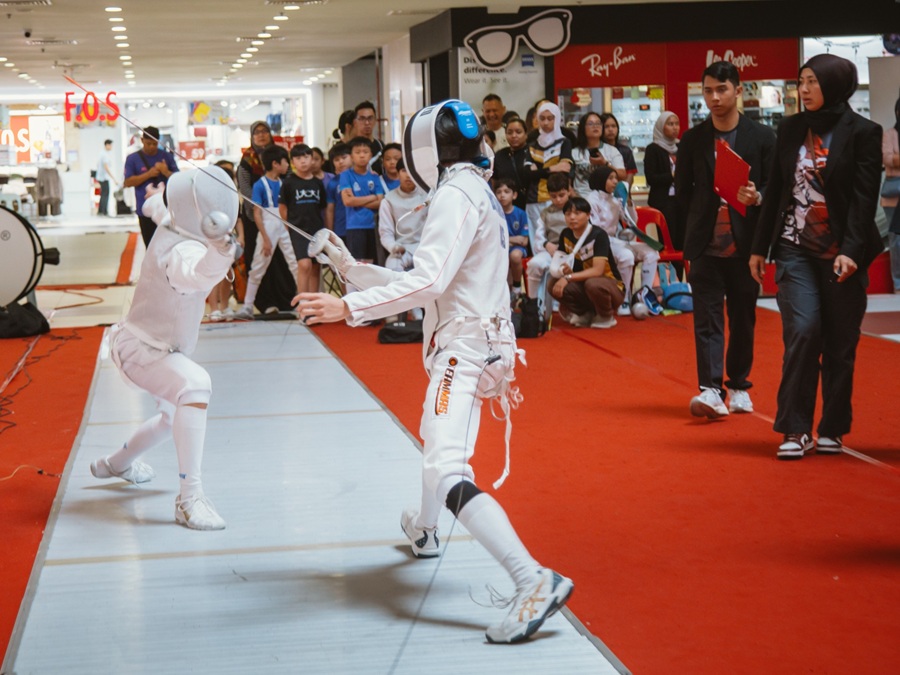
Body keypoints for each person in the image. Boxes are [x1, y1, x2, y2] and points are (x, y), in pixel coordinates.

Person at [297, 99, 573, 644]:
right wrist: (350, 270)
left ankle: (532, 579)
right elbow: (435, 278)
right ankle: (425, 531)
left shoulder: (453, 194)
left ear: (426, 152)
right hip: (486, 347)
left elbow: (426, 285)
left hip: (464, 353)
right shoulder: (478, 191)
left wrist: (345, 308)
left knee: (447, 469)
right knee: (439, 453)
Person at [749, 54, 883, 459]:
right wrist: (759, 247)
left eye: (812, 82)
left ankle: (833, 427)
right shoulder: (790, 128)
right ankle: (795, 427)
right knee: (804, 332)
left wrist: (851, 252)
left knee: (840, 345)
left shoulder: (864, 132)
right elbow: (775, 192)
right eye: (800, 81)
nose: (803, 89)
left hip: (843, 252)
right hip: (794, 249)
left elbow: (863, 199)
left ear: (834, 85)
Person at [90, 166, 239, 530]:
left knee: (174, 416)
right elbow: (199, 273)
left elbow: (154, 206)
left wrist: (156, 197)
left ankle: (114, 464)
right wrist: (221, 252)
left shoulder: (170, 219)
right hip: (144, 349)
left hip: (152, 345)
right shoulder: (183, 251)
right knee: (195, 385)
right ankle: (190, 500)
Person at [675, 61, 776, 419]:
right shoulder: (692, 139)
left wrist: (757, 197)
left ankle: (738, 386)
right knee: (706, 318)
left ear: (738, 89)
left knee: (743, 317)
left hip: (747, 246)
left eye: (721, 90)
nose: (714, 98)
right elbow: (682, 191)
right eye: (708, 91)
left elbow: (774, 188)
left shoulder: (762, 137)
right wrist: (697, 224)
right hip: (705, 244)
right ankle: (711, 390)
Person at [236, 145, 299, 318]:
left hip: (284, 225)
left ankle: (305, 303)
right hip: (267, 226)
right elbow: (257, 212)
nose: (288, 165)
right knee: (258, 267)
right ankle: (248, 305)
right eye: (286, 161)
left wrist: (287, 228)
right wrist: (265, 237)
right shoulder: (259, 185)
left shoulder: (283, 183)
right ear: (275, 164)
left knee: (295, 265)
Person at [587, 165, 660, 315]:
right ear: (601, 180)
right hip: (598, 243)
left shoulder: (615, 200)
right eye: (611, 178)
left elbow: (632, 221)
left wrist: (628, 203)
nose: (615, 182)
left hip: (614, 240)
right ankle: (623, 298)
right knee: (626, 256)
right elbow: (593, 229)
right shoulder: (591, 199)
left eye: (616, 178)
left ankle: (644, 295)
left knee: (652, 252)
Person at [551, 196, 625, 328]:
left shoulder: (598, 235)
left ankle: (606, 316)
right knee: (553, 283)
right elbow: (559, 262)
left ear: (588, 215)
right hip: (583, 284)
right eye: (568, 214)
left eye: (577, 213)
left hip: (610, 285)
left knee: (593, 283)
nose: (572, 217)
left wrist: (568, 278)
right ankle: (584, 313)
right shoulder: (566, 234)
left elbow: (598, 271)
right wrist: (563, 270)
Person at [377, 158, 428, 322]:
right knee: (392, 266)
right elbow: (385, 233)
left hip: (425, 248)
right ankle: (404, 310)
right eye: (404, 171)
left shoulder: (428, 198)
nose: (408, 176)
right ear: (398, 173)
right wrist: (393, 247)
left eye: (412, 171)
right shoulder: (388, 200)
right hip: (402, 248)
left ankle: (425, 310)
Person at [281, 144, 326, 296]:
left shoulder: (318, 183)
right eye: (298, 158)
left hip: (317, 230)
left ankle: (314, 306)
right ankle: (303, 304)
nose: (303, 161)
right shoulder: (288, 183)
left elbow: (322, 208)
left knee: (315, 267)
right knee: (304, 264)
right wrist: (288, 226)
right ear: (292, 162)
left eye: (306, 157)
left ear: (312, 159)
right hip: (298, 230)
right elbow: (283, 207)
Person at [123, 126, 178, 246]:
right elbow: (127, 182)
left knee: (169, 245)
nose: (152, 147)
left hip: (166, 209)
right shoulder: (132, 159)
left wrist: (166, 172)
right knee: (150, 246)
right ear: (142, 140)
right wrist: (149, 174)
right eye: (148, 143)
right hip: (145, 210)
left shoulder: (167, 157)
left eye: (154, 143)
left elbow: (179, 180)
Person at [524, 101, 573, 226]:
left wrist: (538, 171)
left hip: (558, 198)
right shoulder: (531, 144)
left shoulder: (564, 142)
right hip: (534, 199)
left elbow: (564, 171)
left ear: (556, 119)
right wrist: (553, 168)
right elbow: (527, 174)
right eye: (542, 118)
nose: (545, 123)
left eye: (550, 118)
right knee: (537, 241)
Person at [525, 172, 572, 300]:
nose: (558, 200)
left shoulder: (578, 209)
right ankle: (532, 302)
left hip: (575, 254)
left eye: (562, 195)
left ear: (569, 191)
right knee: (534, 264)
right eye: (553, 196)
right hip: (553, 252)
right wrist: (546, 245)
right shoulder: (545, 213)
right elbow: (538, 239)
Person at [236, 120, 276, 270]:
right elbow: (245, 188)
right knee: (257, 255)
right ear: (252, 137)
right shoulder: (247, 158)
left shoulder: (279, 154)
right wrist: (258, 210)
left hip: (278, 213)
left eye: (264, 131)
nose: (261, 135)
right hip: (254, 215)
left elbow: (287, 180)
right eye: (257, 132)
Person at [339, 136, 384, 264]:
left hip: (373, 226)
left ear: (371, 155)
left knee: (370, 263)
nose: (362, 156)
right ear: (351, 156)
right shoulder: (346, 175)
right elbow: (348, 201)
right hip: (354, 226)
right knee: (356, 264)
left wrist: (356, 199)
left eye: (365, 152)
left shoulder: (375, 177)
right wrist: (371, 197)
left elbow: (380, 202)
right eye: (358, 152)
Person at [207, 159, 241, 321]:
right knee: (213, 274)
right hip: (211, 239)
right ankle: (214, 308)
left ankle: (225, 306)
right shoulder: (206, 197)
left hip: (228, 239)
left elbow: (238, 219)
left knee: (227, 273)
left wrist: (241, 237)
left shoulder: (232, 197)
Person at [644, 111, 683, 252]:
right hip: (663, 202)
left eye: (677, 124)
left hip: (681, 200)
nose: (675, 128)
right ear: (661, 127)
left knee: (681, 243)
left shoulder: (681, 147)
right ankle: (667, 273)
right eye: (670, 124)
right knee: (667, 242)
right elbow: (651, 178)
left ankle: (680, 273)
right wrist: (673, 175)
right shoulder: (653, 149)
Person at [571, 112, 625, 197]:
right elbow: (567, 180)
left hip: (606, 201)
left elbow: (622, 175)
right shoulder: (574, 152)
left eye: (598, 123)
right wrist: (576, 199)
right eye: (590, 123)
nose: (595, 126)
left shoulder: (612, 151)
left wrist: (604, 163)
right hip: (582, 200)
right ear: (583, 128)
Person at [494, 177, 530, 301]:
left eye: (506, 191)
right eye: (498, 192)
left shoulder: (521, 214)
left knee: (515, 256)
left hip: (516, 248)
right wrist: (513, 239)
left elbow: (524, 241)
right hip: (499, 247)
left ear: (514, 195)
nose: (502, 195)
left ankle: (516, 286)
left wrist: (507, 240)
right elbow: (493, 238)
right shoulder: (494, 214)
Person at [491, 117, 531, 210]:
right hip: (506, 205)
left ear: (526, 134)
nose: (514, 136)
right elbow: (494, 182)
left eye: (518, 132)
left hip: (530, 202)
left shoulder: (533, 152)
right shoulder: (499, 155)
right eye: (509, 132)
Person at [882, 94, 900, 292]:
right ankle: (898, 283)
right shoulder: (889, 134)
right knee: (897, 241)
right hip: (894, 195)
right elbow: (887, 159)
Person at [600, 113, 638, 188]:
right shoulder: (598, 150)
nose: (610, 129)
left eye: (613, 126)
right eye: (606, 127)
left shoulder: (626, 150)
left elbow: (630, 175)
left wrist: (625, 193)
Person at [325, 143, 352, 240]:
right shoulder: (333, 183)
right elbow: (330, 210)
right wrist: (330, 232)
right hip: (340, 229)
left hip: (361, 227)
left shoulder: (364, 177)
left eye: (344, 157)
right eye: (336, 160)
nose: (341, 162)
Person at [96, 139, 118, 217]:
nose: (111, 147)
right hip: (104, 177)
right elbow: (106, 167)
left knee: (104, 194)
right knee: (105, 194)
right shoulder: (104, 154)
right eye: (111, 145)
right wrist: (113, 178)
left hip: (103, 177)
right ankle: (103, 211)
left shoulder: (104, 153)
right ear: (107, 145)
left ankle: (102, 211)